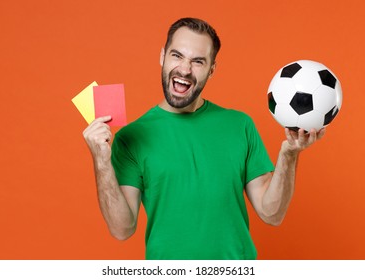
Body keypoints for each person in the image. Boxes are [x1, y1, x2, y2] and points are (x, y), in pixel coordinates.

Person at [83, 17, 325, 260]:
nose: (185, 70)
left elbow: (272, 214)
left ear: (212, 69)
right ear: (162, 56)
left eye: (197, 61)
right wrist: (101, 161)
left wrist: (289, 155)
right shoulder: (131, 137)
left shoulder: (239, 125)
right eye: (177, 56)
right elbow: (122, 229)